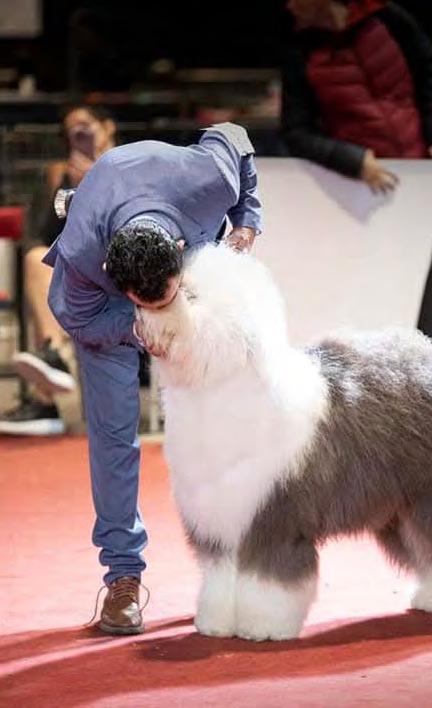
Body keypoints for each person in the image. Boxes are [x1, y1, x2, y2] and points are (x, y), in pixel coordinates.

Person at [42, 122, 261, 635]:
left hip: (188, 277)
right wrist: (139, 326)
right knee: (114, 439)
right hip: (110, 314)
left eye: (163, 299)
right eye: (147, 301)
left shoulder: (210, 180)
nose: (157, 310)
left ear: (180, 251)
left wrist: (248, 221)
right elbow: (79, 320)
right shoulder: (81, 260)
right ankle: (122, 577)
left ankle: (236, 557)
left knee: (229, 419)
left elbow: (234, 135)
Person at [0, 104, 117, 436]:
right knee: (36, 259)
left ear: (107, 126)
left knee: (54, 286)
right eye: (72, 130)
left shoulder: (129, 164)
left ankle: (46, 397)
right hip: (76, 268)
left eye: (85, 125)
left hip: (118, 266)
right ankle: (53, 355)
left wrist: (99, 184)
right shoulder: (61, 173)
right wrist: (70, 191)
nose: (79, 134)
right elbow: (45, 235)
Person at [282, 0, 432, 193]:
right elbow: (296, 133)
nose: (290, 6)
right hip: (358, 186)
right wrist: (351, 161)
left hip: (424, 171)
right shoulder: (299, 53)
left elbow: (431, 76)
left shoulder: (386, 17)